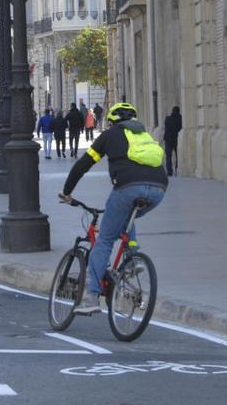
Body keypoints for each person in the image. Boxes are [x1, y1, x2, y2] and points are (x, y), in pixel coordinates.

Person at [59, 102, 168, 314]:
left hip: (127, 188)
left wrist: (67, 191)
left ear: (112, 121)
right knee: (128, 215)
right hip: (158, 190)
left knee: (105, 240)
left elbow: (84, 164)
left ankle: (90, 297)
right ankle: (132, 255)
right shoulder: (144, 135)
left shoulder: (109, 136)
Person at [163, 106, 182, 177]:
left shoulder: (167, 119)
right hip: (176, 139)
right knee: (177, 156)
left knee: (168, 156)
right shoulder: (180, 119)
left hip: (168, 140)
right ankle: (177, 169)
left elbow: (166, 127)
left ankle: (169, 171)